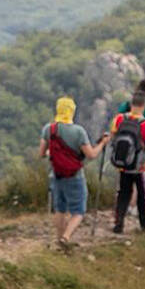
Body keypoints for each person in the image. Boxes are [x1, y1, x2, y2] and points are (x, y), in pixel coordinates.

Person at [39, 97, 108, 248]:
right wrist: (102, 143)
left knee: (60, 209)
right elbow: (91, 155)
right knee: (79, 211)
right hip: (75, 176)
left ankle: (59, 239)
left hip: (56, 175)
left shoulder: (48, 129)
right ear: (72, 111)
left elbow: (42, 153)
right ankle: (66, 236)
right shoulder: (78, 132)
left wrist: (54, 153)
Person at [109, 90, 145, 234]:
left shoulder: (118, 119)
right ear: (144, 106)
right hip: (140, 166)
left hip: (123, 165)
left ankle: (118, 223)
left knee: (123, 193)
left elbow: (112, 137)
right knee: (144, 195)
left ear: (131, 104)